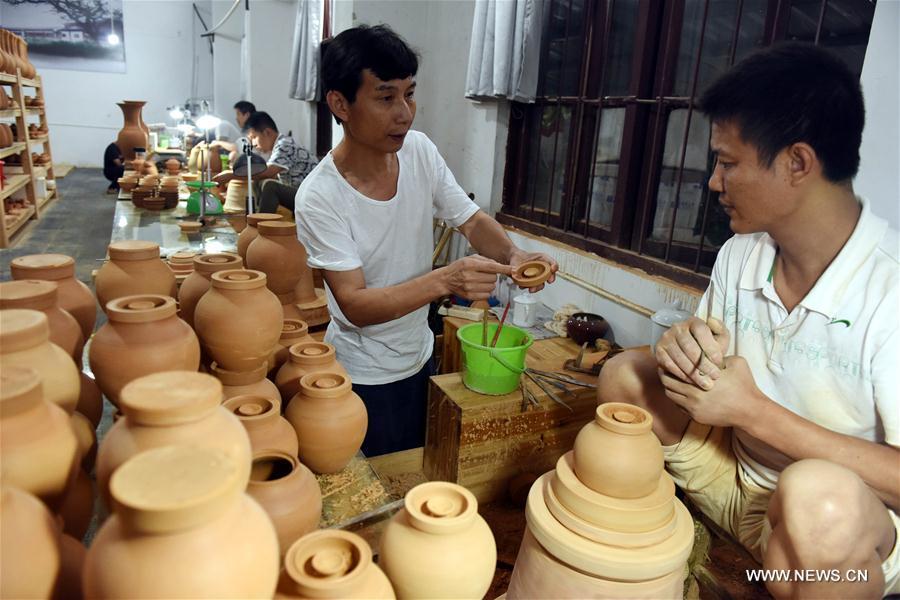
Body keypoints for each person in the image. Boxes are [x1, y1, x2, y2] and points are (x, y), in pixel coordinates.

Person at [598, 43, 898, 599]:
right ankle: (660, 551)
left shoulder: (891, 289)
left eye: (729, 162)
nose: (715, 181)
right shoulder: (744, 252)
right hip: (729, 477)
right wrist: (681, 347)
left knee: (819, 500)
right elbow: (703, 370)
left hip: (830, 532)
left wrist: (755, 413)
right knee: (626, 376)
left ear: (798, 163)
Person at [294, 24, 559, 457]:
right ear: (340, 103)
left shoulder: (417, 151)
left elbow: (471, 221)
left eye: (409, 94)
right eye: (385, 98)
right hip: (365, 375)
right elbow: (355, 305)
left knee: (420, 465)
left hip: (419, 357)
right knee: (385, 480)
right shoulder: (320, 196)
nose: (404, 112)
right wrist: (446, 280)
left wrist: (515, 254)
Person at [214, 111, 317, 213]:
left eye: (254, 137)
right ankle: (260, 218)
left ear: (267, 132)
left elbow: (267, 172)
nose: (253, 144)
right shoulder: (281, 144)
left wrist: (232, 175)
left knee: (270, 186)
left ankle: (260, 224)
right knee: (260, 182)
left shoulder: (285, 145)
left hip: (313, 200)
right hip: (303, 195)